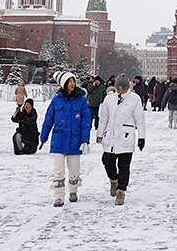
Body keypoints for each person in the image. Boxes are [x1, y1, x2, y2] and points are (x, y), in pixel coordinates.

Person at [40, 72, 92, 207]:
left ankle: (73, 191)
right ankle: (58, 197)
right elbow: (49, 119)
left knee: (74, 170)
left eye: (73, 81)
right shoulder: (56, 100)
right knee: (58, 170)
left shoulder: (81, 100)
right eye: (69, 82)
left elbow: (86, 121)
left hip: (75, 140)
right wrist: (43, 136)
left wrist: (85, 140)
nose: (72, 84)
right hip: (59, 139)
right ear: (63, 84)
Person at [97, 74, 146, 206]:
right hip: (111, 137)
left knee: (124, 166)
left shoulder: (135, 99)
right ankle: (113, 180)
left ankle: (121, 191)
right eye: (119, 88)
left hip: (126, 136)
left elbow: (140, 120)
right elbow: (104, 118)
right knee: (107, 161)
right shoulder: (109, 99)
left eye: (123, 88)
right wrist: (100, 133)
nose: (121, 91)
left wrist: (141, 137)